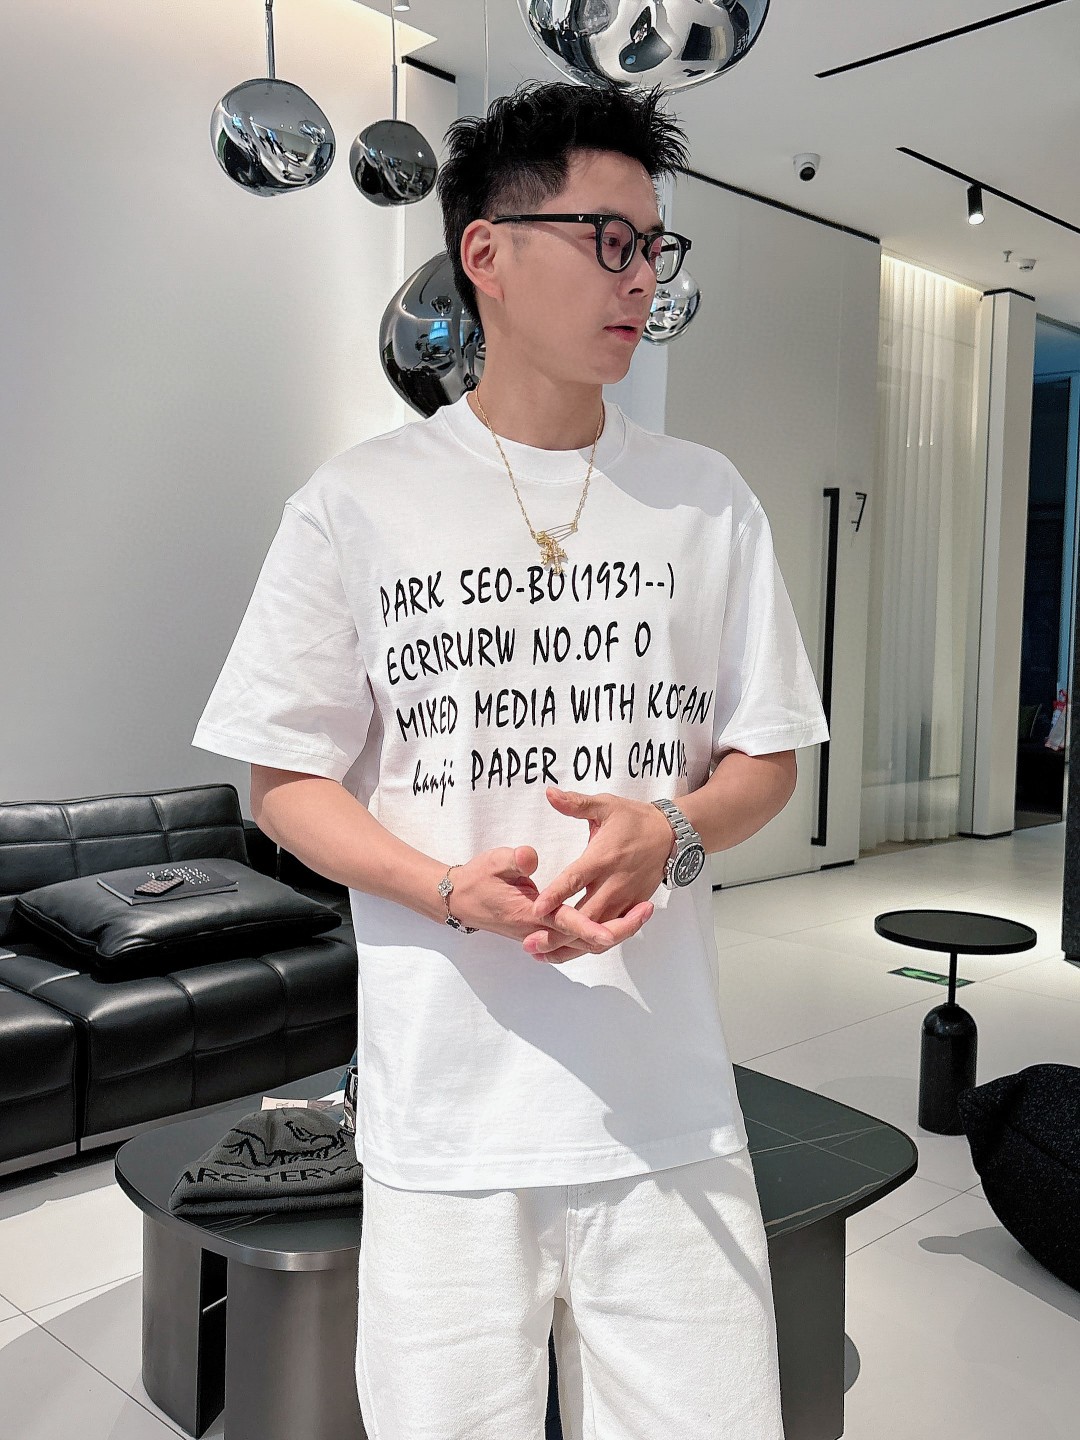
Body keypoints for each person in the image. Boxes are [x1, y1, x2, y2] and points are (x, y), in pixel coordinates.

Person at [192, 77, 829, 1440]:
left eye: (655, 245)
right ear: (486, 252)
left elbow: (768, 757)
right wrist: (442, 889)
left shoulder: (706, 498)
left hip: (665, 1108)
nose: (642, 276)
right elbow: (284, 781)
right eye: (610, 239)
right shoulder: (357, 503)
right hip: (445, 1118)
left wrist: (675, 830)